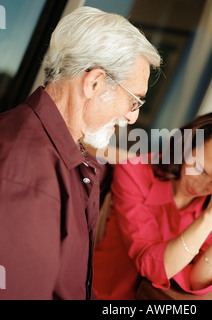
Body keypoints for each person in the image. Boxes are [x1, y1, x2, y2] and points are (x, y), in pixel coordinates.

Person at [0, 7, 161, 300]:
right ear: (95, 83)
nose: (132, 118)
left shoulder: (66, 151)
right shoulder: (28, 170)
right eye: (134, 100)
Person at [92, 107, 212, 299]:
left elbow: (198, 281)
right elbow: (152, 267)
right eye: (199, 167)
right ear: (188, 144)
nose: (200, 184)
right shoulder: (134, 172)